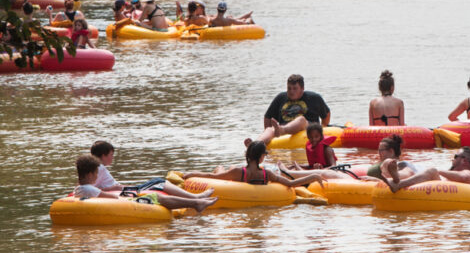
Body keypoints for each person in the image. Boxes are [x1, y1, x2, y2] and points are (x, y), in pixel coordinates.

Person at [74, 154, 218, 213]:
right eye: (96, 173)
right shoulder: (89, 189)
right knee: (156, 196)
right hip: (124, 202)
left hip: (120, 200)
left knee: (155, 193)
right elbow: (111, 197)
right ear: (89, 174)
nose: (97, 176)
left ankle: (196, 201)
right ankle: (196, 203)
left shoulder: (80, 189)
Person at [88, 140, 219, 199]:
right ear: (103, 155)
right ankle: (195, 197)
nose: (112, 158)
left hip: (122, 189)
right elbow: (89, 187)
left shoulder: (96, 167)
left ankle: (194, 198)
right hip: (122, 192)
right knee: (159, 182)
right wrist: (109, 190)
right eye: (111, 155)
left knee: (158, 181)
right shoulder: (98, 167)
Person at [183, 140, 327, 189]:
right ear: (261, 157)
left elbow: (211, 176)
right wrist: (313, 176)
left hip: (236, 176)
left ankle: (220, 166)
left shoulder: (239, 172)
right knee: (222, 170)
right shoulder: (267, 174)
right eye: (265, 155)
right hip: (248, 181)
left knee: (220, 169)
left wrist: (190, 174)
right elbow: (291, 184)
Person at [256, 74, 331, 144]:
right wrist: (270, 132)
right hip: (283, 131)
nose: (291, 91)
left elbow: (326, 114)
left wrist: (322, 128)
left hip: (306, 128)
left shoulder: (314, 98)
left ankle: (282, 130)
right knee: (270, 129)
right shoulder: (280, 98)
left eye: (295, 89)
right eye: (289, 88)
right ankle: (256, 144)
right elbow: (268, 117)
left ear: (302, 89)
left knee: (301, 120)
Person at [380, 146, 470, 193]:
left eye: (455, 156)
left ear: (464, 160)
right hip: (431, 188)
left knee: (432, 171)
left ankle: (398, 184)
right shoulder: (450, 174)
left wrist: (438, 171)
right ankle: (390, 177)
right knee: (408, 170)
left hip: (444, 195)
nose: (452, 158)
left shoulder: (468, 174)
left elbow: (464, 178)